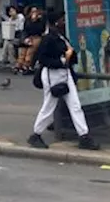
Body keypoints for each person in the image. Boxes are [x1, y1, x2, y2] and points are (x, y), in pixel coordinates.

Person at [29, 11, 99, 151]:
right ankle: (36, 134)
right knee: (49, 106)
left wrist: (69, 58)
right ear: (56, 22)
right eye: (62, 19)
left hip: (64, 73)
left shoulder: (59, 36)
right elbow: (42, 59)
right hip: (52, 74)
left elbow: (70, 55)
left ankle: (84, 136)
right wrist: (63, 60)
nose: (64, 22)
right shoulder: (49, 38)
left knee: (75, 105)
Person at [14, 6, 46, 74]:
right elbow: (25, 30)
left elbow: (40, 30)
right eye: (32, 11)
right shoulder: (27, 20)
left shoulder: (41, 20)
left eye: (35, 11)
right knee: (23, 49)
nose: (34, 13)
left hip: (37, 36)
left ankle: (27, 65)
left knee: (31, 49)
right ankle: (19, 64)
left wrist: (36, 21)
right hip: (28, 36)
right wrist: (26, 38)